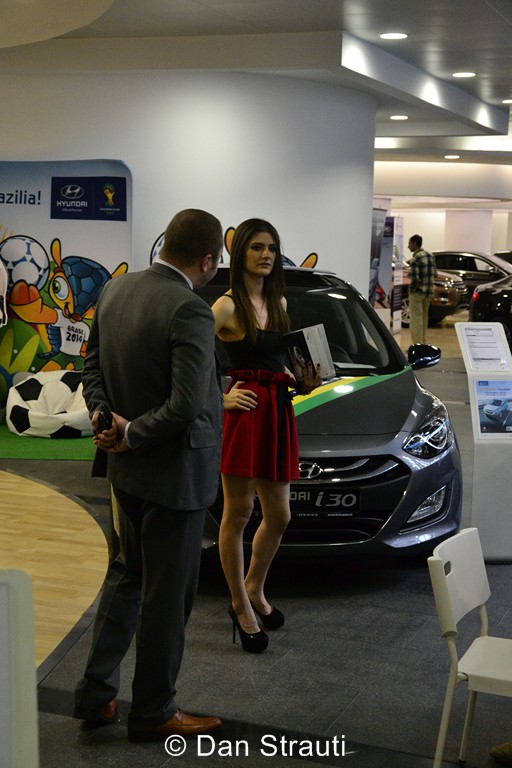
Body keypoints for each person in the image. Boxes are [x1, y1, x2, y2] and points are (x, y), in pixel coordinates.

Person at [73, 209, 224, 742]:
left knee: (128, 576)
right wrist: (132, 432)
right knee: (167, 596)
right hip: (175, 476)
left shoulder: (116, 289)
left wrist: (105, 419)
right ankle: (154, 710)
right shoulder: (190, 307)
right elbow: (185, 406)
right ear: (207, 260)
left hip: (127, 471)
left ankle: (95, 694)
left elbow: (91, 367)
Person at [211, 218, 320, 654]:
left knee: (279, 516)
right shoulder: (225, 306)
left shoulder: (278, 303)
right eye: (257, 247)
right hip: (245, 415)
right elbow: (186, 355)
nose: (266, 255)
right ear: (240, 252)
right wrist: (219, 397)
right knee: (238, 513)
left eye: (272, 248)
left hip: (277, 410)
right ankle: (240, 605)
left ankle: (255, 587)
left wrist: (303, 381)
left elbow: (282, 362)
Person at [407, 234, 437, 344]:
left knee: (416, 320)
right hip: (428, 292)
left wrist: (412, 290)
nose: (408, 246)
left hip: (418, 293)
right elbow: (435, 274)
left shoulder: (415, 259)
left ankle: (417, 345)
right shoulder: (430, 256)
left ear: (415, 243)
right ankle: (423, 343)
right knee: (424, 318)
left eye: (409, 243)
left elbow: (415, 279)